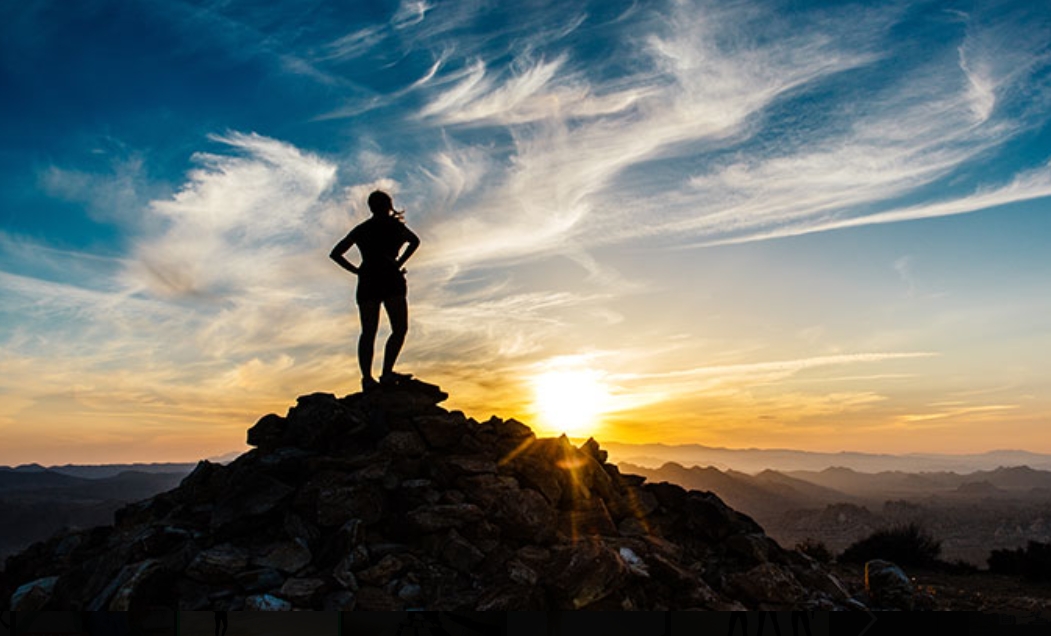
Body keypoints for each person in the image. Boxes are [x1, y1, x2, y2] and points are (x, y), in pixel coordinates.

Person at [330, 190, 421, 390]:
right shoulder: (394, 226)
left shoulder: (363, 229)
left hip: (369, 280)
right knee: (398, 328)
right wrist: (399, 263)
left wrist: (357, 271)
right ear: (388, 205)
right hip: (389, 279)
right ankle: (385, 373)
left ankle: (368, 378)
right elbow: (415, 241)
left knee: (369, 331)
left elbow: (336, 253)